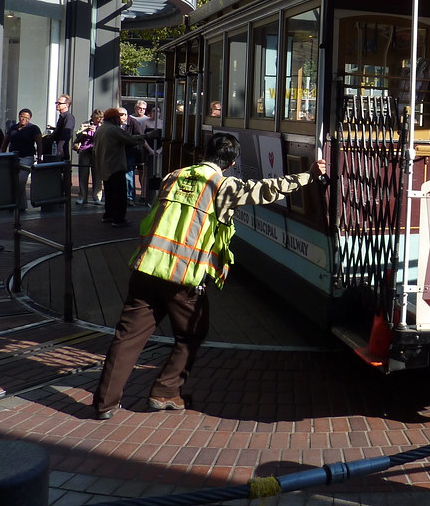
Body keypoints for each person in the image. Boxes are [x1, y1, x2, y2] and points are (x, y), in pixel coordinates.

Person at [92, 133, 326, 420]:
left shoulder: (174, 176)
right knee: (192, 333)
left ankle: (104, 404)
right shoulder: (222, 185)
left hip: (147, 267)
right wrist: (308, 176)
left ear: (205, 152)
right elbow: (266, 190)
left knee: (126, 338)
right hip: (183, 276)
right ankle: (165, 391)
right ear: (231, 162)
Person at [93, 108, 149, 227]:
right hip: (115, 166)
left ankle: (108, 215)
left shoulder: (101, 129)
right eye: (118, 117)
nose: (120, 120)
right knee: (120, 195)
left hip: (104, 166)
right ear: (113, 118)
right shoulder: (113, 129)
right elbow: (130, 139)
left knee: (109, 194)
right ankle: (118, 219)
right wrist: (147, 135)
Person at [2, 108, 43, 210]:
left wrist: (39, 156)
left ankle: (15, 203)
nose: (24, 119)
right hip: (13, 157)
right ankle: (21, 205)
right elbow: (5, 141)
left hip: (27, 157)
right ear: (19, 116)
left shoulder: (34, 128)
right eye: (22, 116)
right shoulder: (12, 128)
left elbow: (39, 143)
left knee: (21, 180)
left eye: (27, 118)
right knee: (13, 180)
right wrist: (2, 154)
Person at [73, 109, 103, 205]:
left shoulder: (103, 127)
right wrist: (85, 130)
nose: (98, 120)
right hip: (85, 150)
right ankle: (82, 196)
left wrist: (97, 131)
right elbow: (78, 135)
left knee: (97, 174)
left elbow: (103, 138)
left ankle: (97, 197)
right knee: (83, 174)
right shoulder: (85, 124)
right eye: (96, 118)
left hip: (97, 151)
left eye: (100, 118)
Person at [49, 94, 75, 159]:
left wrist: (59, 147)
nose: (57, 105)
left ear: (67, 105)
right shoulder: (62, 117)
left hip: (61, 153)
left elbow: (66, 133)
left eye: (59, 103)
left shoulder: (68, 117)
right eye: (56, 103)